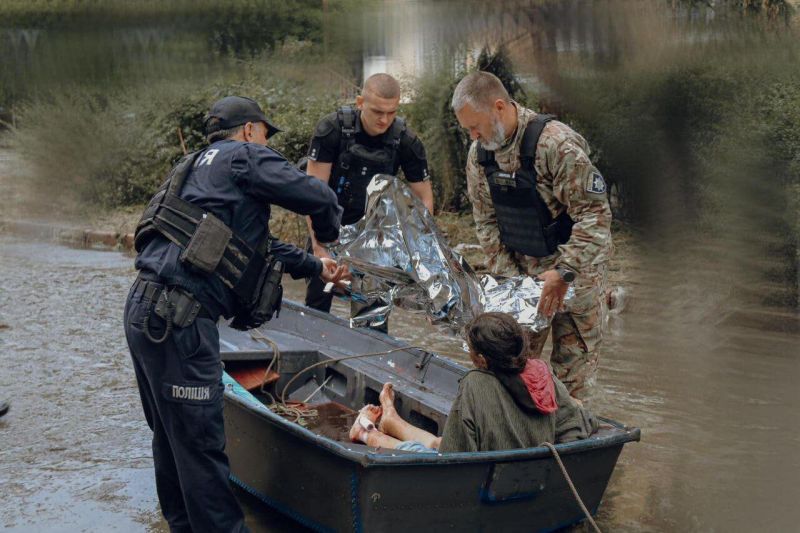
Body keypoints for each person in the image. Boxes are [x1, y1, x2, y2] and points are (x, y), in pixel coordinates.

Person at [124, 96, 344, 533]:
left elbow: (248, 248)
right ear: (248, 130)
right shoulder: (244, 155)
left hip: (143, 312)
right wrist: (328, 232)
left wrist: (316, 266)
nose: (267, 144)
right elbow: (315, 194)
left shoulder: (192, 170)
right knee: (201, 445)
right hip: (181, 319)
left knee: (173, 440)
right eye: (266, 134)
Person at [451, 71, 613, 400]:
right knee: (510, 369)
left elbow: (594, 214)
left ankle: (567, 443)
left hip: (576, 275)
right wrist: (513, 283)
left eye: (475, 126)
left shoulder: (554, 144)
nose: (473, 135)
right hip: (522, 275)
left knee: (572, 380)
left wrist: (564, 272)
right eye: (467, 129)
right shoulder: (480, 155)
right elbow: (486, 222)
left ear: (498, 107)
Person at [349, 312, 597, 453]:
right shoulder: (542, 373)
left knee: (428, 449)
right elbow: (580, 424)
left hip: (481, 475)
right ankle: (393, 421)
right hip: (523, 469)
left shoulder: (475, 383)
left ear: (481, 359)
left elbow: (451, 455)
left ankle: (367, 433)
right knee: (437, 442)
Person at [304, 73, 433, 331]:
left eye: (391, 112)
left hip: (376, 235)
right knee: (316, 308)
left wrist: (408, 249)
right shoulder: (331, 130)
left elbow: (424, 200)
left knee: (373, 320)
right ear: (360, 102)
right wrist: (320, 249)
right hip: (328, 226)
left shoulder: (407, 141)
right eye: (377, 111)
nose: (384, 120)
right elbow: (311, 194)